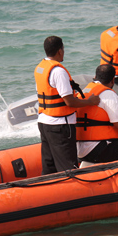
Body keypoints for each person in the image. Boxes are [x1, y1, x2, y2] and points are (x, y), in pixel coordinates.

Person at [35, 36, 100, 175]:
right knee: (68, 168)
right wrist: (90, 102)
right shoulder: (58, 71)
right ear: (60, 51)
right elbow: (69, 101)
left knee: (49, 166)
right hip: (60, 126)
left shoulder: (40, 68)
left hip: (44, 122)